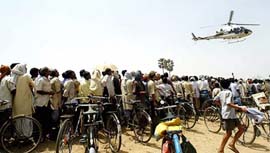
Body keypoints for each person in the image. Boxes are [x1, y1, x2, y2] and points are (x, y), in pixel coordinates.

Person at [215, 79, 247, 153]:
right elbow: (228, 103)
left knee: (241, 128)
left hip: (232, 115)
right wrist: (239, 107)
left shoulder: (221, 92)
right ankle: (221, 149)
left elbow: (215, 100)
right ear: (229, 85)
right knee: (228, 133)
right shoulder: (229, 92)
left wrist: (222, 105)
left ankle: (232, 143)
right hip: (228, 115)